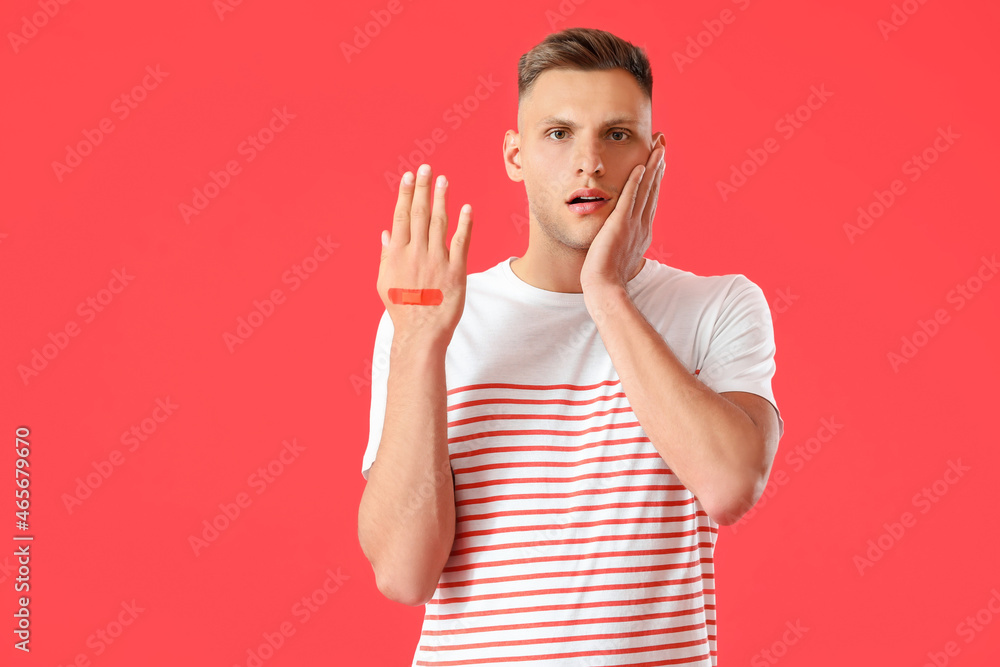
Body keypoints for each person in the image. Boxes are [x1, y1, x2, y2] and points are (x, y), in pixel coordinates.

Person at [358, 26, 784, 667]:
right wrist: (421, 345)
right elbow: (403, 574)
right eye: (559, 134)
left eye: (617, 134)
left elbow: (729, 487)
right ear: (515, 156)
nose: (590, 161)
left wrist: (606, 292)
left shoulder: (719, 307)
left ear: (654, 154)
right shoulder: (431, 323)